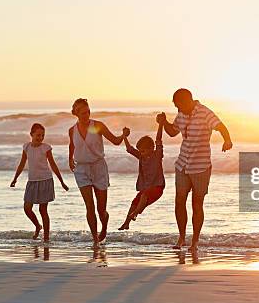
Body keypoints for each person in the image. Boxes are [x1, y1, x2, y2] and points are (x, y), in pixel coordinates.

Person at [157, 89, 232, 251]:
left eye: (179, 106)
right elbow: (172, 132)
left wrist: (227, 140)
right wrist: (163, 122)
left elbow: (220, 126)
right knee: (179, 201)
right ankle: (182, 238)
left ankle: (195, 242)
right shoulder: (181, 114)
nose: (178, 109)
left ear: (187, 101)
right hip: (183, 164)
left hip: (201, 166)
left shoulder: (205, 113)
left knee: (197, 204)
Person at [69, 98, 130, 247]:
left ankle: (104, 227)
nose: (86, 115)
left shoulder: (96, 126)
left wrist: (124, 135)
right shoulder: (72, 130)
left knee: (101, 209)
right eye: (82, 113)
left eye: (88, 111)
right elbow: (72, 145)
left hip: (99, 168)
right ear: (76, 113)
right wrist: (70, 159)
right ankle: (95, 240)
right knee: (89, 206)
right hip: (81, 169)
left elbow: (115, 141)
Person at [10, 123, 69, 242]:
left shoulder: (46, 148)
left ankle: (46, 238)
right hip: (32, 181)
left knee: (43, 210)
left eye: (42, 135)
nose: (40, 137)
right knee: (27, 208)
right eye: (38, 135)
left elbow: (53, 164)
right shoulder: (26, 147)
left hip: (45, 181)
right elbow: (22, 164)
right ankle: (37, 226)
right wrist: (15, 178)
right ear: (31, 134)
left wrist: (62, 182)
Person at [118, 122, 165, 231]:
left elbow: (158, 139)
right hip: (146, 188)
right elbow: (130, 149)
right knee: (134, 202)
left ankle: (135, 214)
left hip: (158, 187)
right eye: (140, 151)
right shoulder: (141, 156)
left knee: (144, 195)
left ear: (151, 148)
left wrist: (160, 125)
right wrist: (124, 136)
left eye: (143, 151)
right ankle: (126, 223)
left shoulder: (157, 155)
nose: (141, 153)